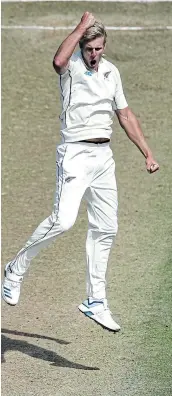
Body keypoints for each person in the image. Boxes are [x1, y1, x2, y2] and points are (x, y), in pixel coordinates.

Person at [2, 12, 159, 332]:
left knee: (107, 227)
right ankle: (14, 269)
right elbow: (58, 61)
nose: (94, 55)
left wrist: (147, 152)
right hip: (74, 153)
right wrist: (81, 26)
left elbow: (125, 115)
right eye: (89, 48)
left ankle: (96, 300)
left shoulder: (112, 72)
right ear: (82, 46)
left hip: (104, 158)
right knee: (63, 220)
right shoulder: (71, 67)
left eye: (99, 49)